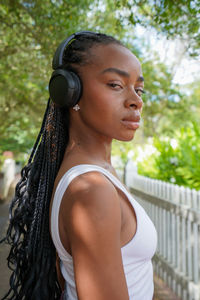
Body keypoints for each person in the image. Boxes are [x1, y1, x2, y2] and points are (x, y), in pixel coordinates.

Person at [2, 31, 157, 300]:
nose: (136, 100)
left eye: (138, 88)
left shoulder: (94, 174)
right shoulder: (92, 190)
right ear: (69, 92)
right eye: (115, 85)